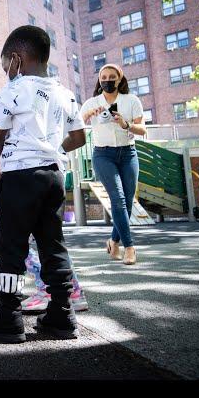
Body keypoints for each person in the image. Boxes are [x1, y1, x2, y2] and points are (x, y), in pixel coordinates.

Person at [0, 25, 86, 343]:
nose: (6, 70)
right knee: (53, 243)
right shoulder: (66, 93)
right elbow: (78, 137)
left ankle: (9, 313)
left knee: (11, 247)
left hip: (20, 177)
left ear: (17, 59)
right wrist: (52, 148)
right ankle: (62, 314)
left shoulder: (15, 88)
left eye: (6, 63)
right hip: (52, 176)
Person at [0, 99, 89, 313]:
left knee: (24, 248)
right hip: (49, 184)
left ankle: (45, 290)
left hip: (23, 196)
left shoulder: (12, 141)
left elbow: (0, 170)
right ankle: (73, 292)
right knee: (53, 246)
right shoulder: (33, 136)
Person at [81, 63, 146, 265]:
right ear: (99, 81)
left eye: (112, 77)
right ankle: (130, 248)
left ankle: (113, 241)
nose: (107, 80)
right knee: (117, 200)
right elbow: (78, 121)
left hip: (128, 154)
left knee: (126, 202)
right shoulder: (92, 102)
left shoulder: (131, 101)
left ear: (119, 79)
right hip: (103, 155)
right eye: (104, 77)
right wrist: (89, 115)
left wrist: (125, 124)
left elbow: (143, 130)